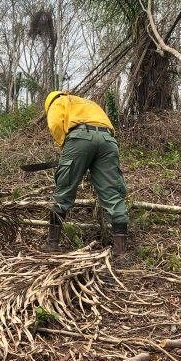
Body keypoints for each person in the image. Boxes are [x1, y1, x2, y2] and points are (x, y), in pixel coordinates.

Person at [43, 91, 130, 255]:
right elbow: (108, 128)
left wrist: (66, 148)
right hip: (108, 141)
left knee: (65, 188)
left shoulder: (58, 100)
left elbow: (55, 124)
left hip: (79, 138)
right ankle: (120, 251)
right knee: (112, 193)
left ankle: (52, 243)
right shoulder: (88, 104)